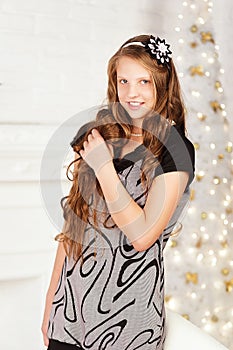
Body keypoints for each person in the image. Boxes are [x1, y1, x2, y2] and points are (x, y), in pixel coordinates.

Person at [41, 34, 195, 350]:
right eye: (123, 81)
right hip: (69, 318)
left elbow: (142, 236)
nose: (131, 93)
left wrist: (103, 168)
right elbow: (74, 228)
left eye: (144, 82)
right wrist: (50, 305)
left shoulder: (175, 150)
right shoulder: (97, 135)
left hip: (129, 325)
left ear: (162, 86)